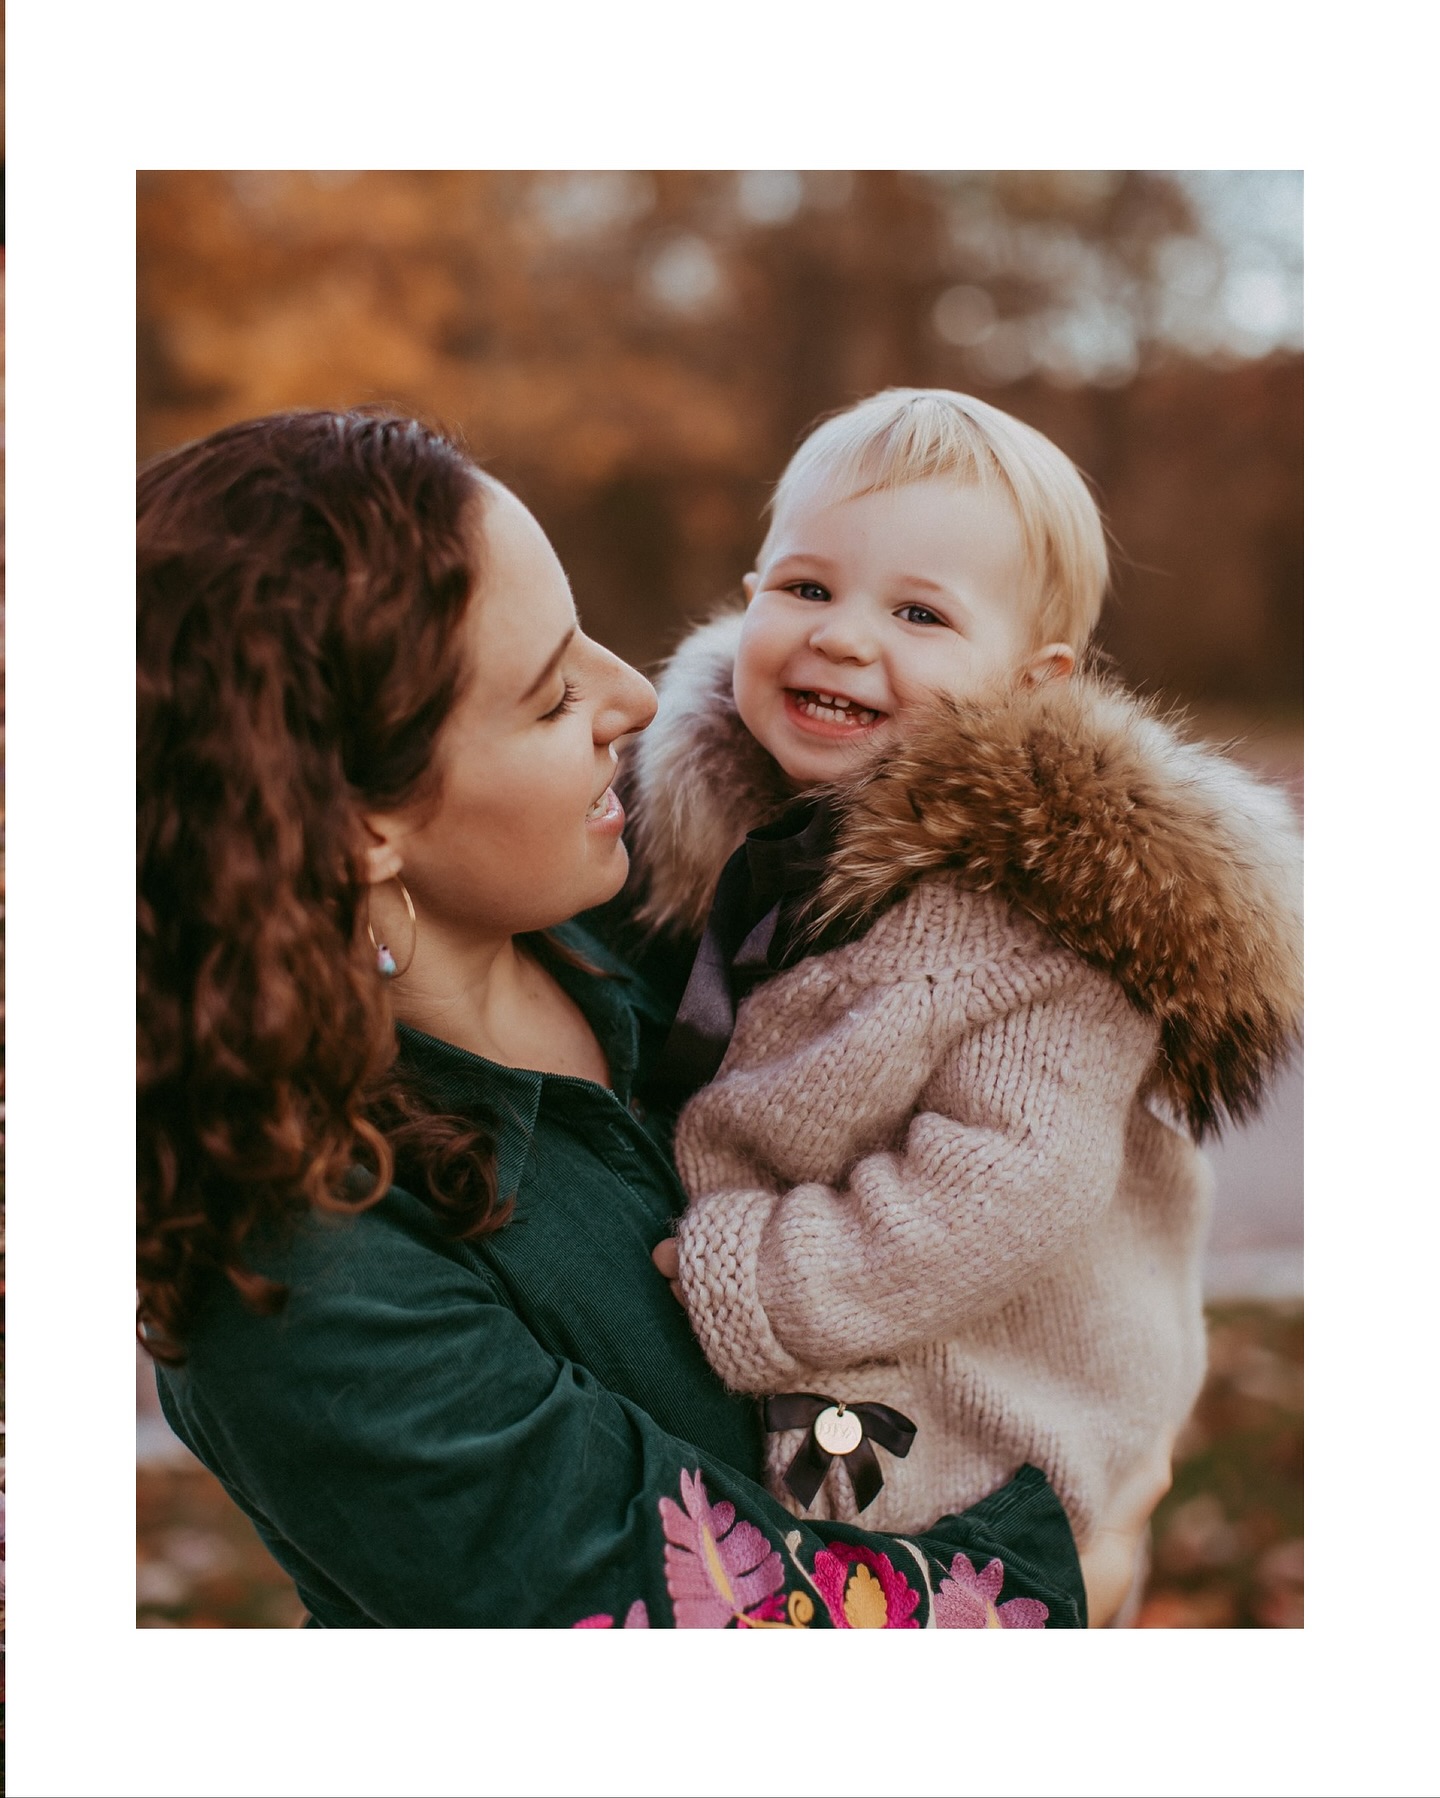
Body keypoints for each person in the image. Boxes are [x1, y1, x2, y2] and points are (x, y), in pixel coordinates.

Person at [137, 407, 1089, 1629]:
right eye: (550, 698)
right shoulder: (299, 1281)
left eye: (588, 636)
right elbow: (712, 1618)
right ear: (359, 825)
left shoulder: (667, 925)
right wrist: (1069, 1567)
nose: (635, 695)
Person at [633, 389, 1305, 1626]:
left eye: (920, 614)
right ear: (750, 593)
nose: (843, 637)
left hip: (986, 1444)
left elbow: (999, 1187)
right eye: (807, 587)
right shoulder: (738, 836)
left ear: (1030, 682)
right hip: (849, 1413)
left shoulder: (1040, 921)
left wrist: (759, 1276)